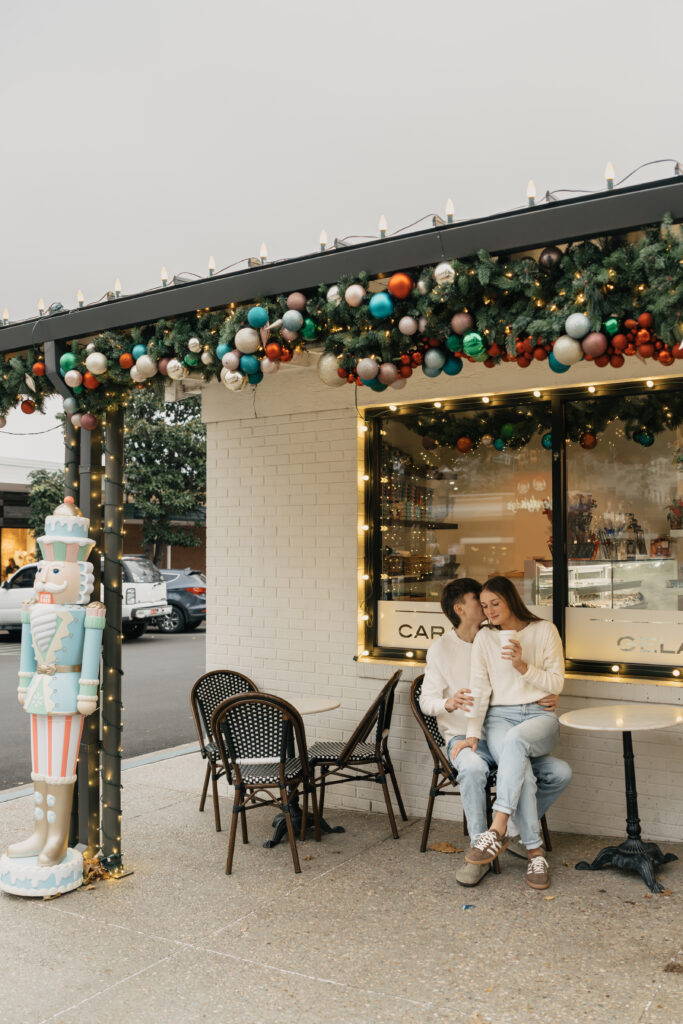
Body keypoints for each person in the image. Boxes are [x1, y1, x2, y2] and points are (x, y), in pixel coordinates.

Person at [419, 577, 571, 887]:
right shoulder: (444, 648)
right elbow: (431, 700)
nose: (486, 608)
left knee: (559, 772)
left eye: (492, 602)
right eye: (481, 602)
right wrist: (450, 705)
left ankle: (503, 830)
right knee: (478, 769)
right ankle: (489, 851)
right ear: (462, 609)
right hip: (468, 736)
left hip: (507, 732)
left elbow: (540, 681)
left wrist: (538, 684)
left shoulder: (499, 635)